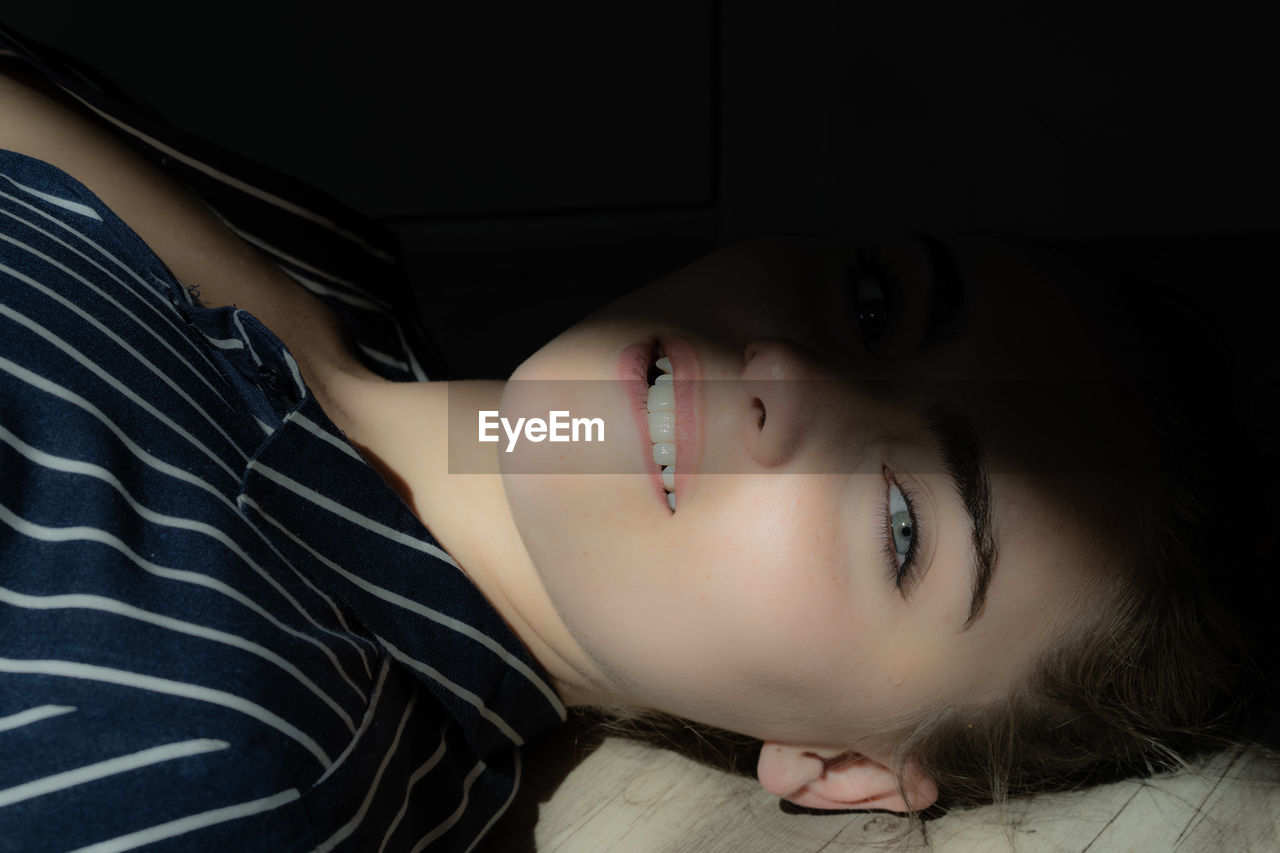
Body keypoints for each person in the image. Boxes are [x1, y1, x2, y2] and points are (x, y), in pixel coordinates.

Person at [1, 21, 1275, 852]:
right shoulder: (331, 255)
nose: (789, 372)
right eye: (876, 304)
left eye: (903, 520)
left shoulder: (224, 771)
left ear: (841, 768)